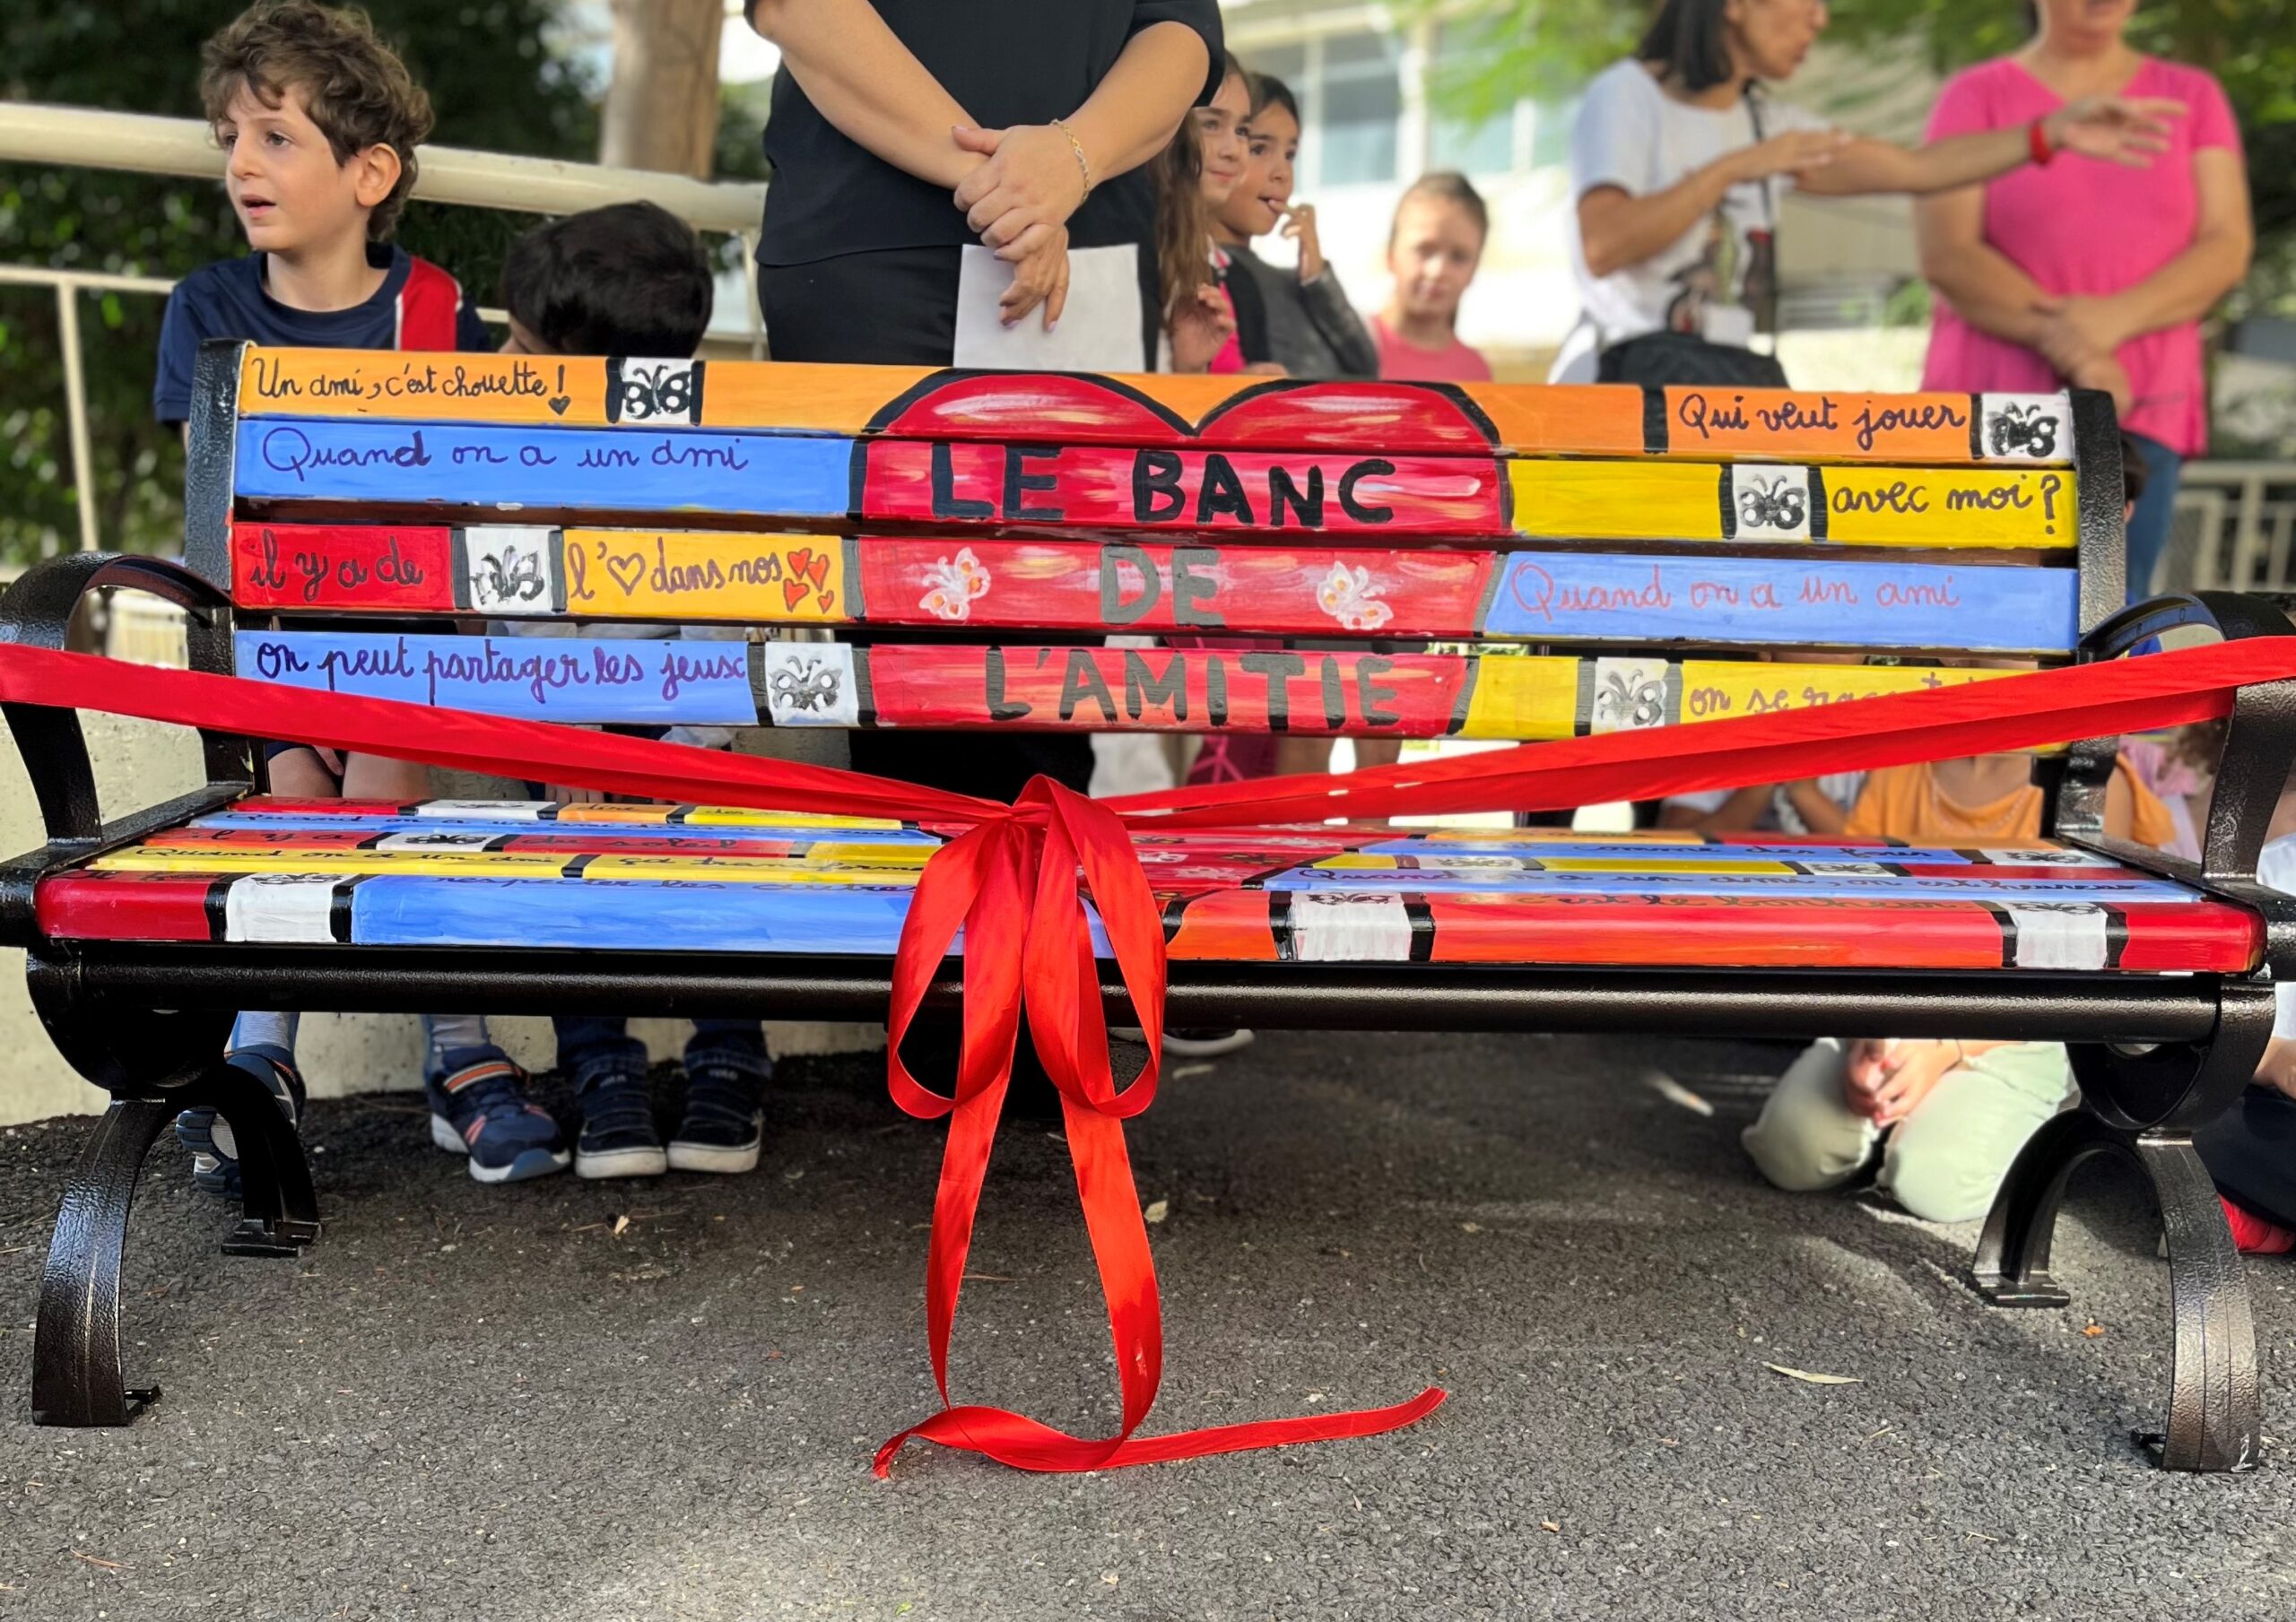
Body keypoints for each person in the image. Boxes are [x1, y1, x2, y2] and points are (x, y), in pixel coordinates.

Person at [154, 0, 551, 1189]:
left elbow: (446, 507)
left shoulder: (430, 310)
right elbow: (217, 522)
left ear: (369, 170)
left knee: (385, 703)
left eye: (275, 136)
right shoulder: (209, 311)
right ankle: (448, 1047)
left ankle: (268, 1048)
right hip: (262, 636)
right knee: (305, 770)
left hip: (397, 637)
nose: (240, 162)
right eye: (231, 134)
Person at [493, 203, 775, 1179]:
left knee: (716, 864)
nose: (505, 360)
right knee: (571, 859)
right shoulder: (514, 453)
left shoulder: (700, 466)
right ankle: (599, 1065)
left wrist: (679, 758)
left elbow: (723, 633)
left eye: (528, 347)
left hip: (684, 717)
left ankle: (730, 1054)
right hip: (565, 719)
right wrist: (573, 752)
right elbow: (518, 620)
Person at [1549, 0, 2181, 386]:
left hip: (1718, 392)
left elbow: (1916, 169)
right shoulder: (1627, 94)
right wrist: (1738, 167)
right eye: (1809, 1)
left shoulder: (1771, 123)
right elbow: (1605, 244)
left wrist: (2051, 131)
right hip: (1620, 386)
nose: (1819, 20)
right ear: (1736, 3)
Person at [1742, 717, 2177, 1222]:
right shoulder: (1904, 761)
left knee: (1935, 1184)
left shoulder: (2091, 777)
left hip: (2023, 1026)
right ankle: (1899, 1128)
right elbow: (1863, 913)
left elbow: (2088, 965)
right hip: (1895, 1007)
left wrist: (1947, 1048)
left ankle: (1955, 1126)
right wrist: (1870, 1026)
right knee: (1791, 1153)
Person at [1915, 0, 2250, 605]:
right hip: (1988, 415)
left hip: (2138, 412)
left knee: (2106, 619)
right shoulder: (1975, 96)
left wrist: (2107, 324)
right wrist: (2073, 344)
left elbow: (2226, 245)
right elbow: (1950, 254)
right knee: (1969, 615)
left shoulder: (2193, 97)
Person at [1213, 74, 1378, 379]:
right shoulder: (1207, 274)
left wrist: (1317, 277)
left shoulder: (1295, 284)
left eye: (1290, 155)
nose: (1283, 173)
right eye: (1260, 149)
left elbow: (1366, 368)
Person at [1372, 173, 1493, 384]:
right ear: (1390, 255)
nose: (1438, 270)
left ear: (1474, 269)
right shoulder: (1353, 346)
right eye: (1424, 250)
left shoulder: (1475, 372)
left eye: (1459, 256)